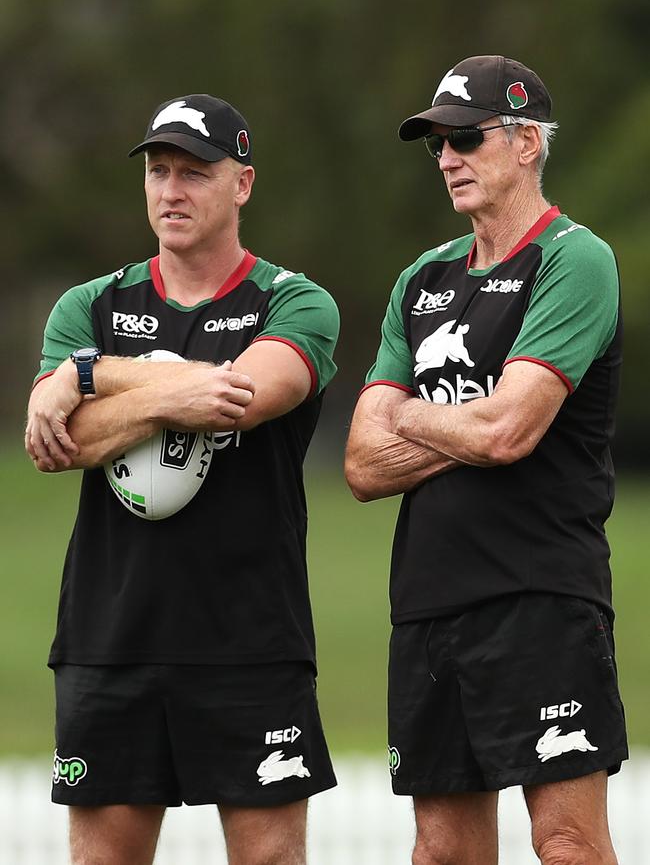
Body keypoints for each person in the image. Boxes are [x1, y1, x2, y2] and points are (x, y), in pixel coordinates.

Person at [25, 93, 339, 865]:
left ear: (243, 184)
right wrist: (166, 388)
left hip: (250, 638)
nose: (171, 191)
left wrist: (91, 376)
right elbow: (58, 440)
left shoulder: (295, 302)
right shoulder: (88, 307)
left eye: (194, 173)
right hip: (112, 635)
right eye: (159, 171)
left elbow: (243, 395)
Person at [345, 55, 626, 865]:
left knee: (567, 842)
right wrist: (456, 421)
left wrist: (407, 410)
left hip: (539, 597)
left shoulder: (575, 259)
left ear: (529, 141)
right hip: (429, 604)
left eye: (466, 138)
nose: (447, 159)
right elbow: (363, 463)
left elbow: (509, 431)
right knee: (442, 853)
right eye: (436, 144)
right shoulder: (421, 279)